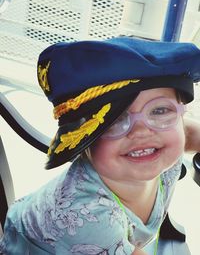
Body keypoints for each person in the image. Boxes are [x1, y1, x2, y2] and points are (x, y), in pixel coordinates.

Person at [1, 36, 200, 255]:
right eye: (115, 121)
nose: (143, 131)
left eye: (159, 110)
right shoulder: (89, 218)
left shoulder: (163, 143)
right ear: (83, 141)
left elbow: (189, 133)